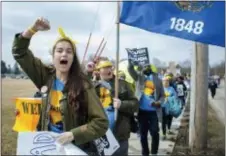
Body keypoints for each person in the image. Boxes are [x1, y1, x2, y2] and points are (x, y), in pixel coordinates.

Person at [12, 17, 109, 154]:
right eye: (60, 50)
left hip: (76, 149)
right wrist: (32, 30)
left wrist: (73, 134)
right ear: (53, 56)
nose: (64, 54)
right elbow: (19, 52)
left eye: (69, 51)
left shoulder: (84, 85)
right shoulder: (44, 76)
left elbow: (101, 123)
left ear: (73, 59)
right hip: (49, 147)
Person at [94, 60, 139, 156]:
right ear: (99, 71)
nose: (108, 69)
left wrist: (121, 104)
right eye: (105, 68)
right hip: (101, 134)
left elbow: (135, 104)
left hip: (120, 133)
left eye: (110, 67)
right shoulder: (93, 87)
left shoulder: (123, 84)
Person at [128, 62, 165, 155]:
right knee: (143, 134)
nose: (146, 68)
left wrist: (158, 103)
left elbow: (162, 96)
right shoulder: (139, 77)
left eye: (147, 66)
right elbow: (130, 70)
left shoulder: (158, 80)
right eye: (144, 66)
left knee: (155, 132)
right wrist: (131, 63)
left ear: (151, 68)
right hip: (141, 111)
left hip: (154, 112)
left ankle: (154, 152)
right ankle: (145, 153)